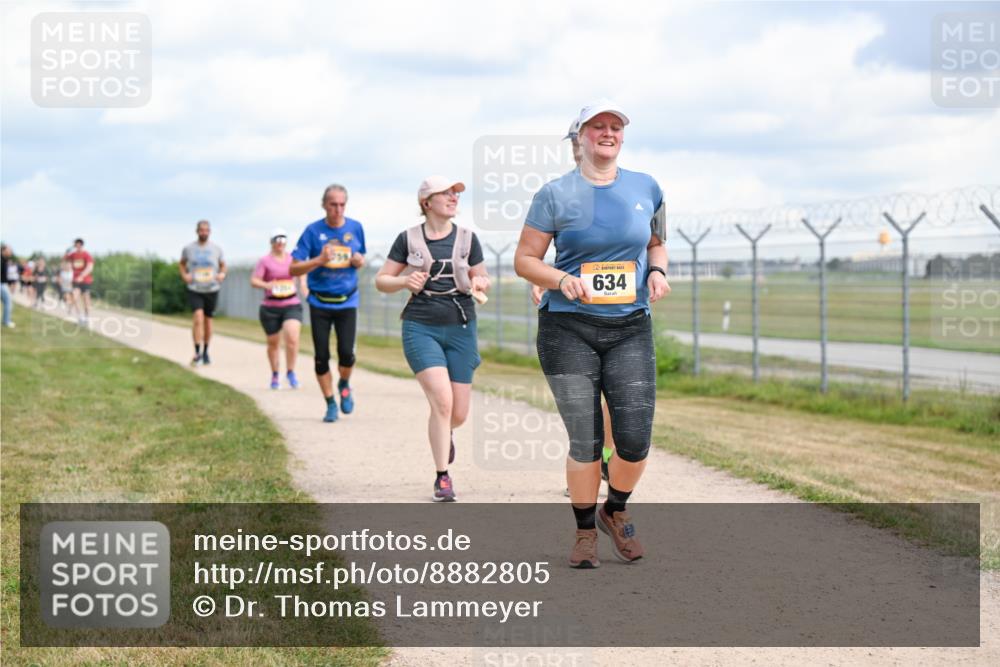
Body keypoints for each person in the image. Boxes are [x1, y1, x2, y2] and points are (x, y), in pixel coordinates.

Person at [514, 101, 670, 568]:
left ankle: (614, 510)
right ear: (577, 138)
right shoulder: (554, 194)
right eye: (597, 126)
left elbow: (656, 242)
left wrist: (658, 272)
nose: (608, 133)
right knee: (585, 436)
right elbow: (525, 259)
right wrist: (559, 280)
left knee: (635, 439)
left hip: (629, 327)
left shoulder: (648, 187)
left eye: (615, 126)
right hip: (569, 327)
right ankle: (584, 533)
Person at [375, 175, 490, 502]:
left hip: (461, 327)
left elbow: (482, 276)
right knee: (441, 401)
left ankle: (446, 432)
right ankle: (442, 477)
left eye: (456, 193)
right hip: (420, 326)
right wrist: (403, 282)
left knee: (459, 413)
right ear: (426, 202)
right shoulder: (407, 239)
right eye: (446, 193)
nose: (454, 197)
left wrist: (480, 281)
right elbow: (381, 280)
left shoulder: (469, 239)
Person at [534, 119, 617, 495]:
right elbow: (550, 251)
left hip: (622, 316)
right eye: (573, 141)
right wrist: (546, 279)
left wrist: (656, 271)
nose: (576, 147)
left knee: (617, 400)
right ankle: (588, 460)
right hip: (572, 316)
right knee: (585, 398)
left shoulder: (623, 188)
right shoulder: (561, 192)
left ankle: (607, 456)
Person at [290, 184, 366, 423]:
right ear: (324, 205)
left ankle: (344, 383)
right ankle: (330, 403)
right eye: (333, 204)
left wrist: (358, 261)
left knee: (347, 355)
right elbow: (293, 267)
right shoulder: (312, 231)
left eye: (342, 204)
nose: (338, 209)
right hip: (320, 302)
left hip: (347, 301)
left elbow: (360, 257)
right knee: (321, 357)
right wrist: (319, 260)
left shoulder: (355, 228)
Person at [251, 228, 307, 390]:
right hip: (270, 306)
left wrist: (303, 283)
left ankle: (291, 372)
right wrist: (267, 284)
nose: (280, 243)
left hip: (291, 304)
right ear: (272, 242)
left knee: (292, 337)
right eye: (277, 240)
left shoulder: (292, 259)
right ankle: (275, 374)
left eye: (283, 240)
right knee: (273, 343)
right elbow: (254, 280)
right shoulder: (265, 261)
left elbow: (301, 271)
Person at [179, 220, 226, 365]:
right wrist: (185, 275)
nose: (204, 232)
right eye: (201, 230)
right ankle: (197, 352)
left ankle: (206, 352)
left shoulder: (216, 249)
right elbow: (181, 263)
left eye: (206, 230)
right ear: (197, 231)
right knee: (198, 318)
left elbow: (223, 265)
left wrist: (222, 274)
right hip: (195, 288)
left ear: (209, 232)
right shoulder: (188, 248)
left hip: (211, 289)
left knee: (208, 321)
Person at [65, 238, 94, 325]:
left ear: (81, 245)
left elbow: (90, 267)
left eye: (78, 245)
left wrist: (81, 276)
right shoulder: (73, 255)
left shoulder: (87, 255)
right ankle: (80, 316)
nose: (77, 246)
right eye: (75, 245)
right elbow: (65, 258)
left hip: (85, 280)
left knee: (86, 299)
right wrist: (69, 249)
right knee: (75, 297)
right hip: (75, 280)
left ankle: (87, 317)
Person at [1, 244, 15, 328]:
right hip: (1, 284)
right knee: (8, 301)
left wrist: (10, 283)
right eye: (9, 250)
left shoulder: (5, 260)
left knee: (8, 301)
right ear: (4, 250)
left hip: (3, 284)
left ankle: (6, 321)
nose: (10, 251)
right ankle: (6, 321)